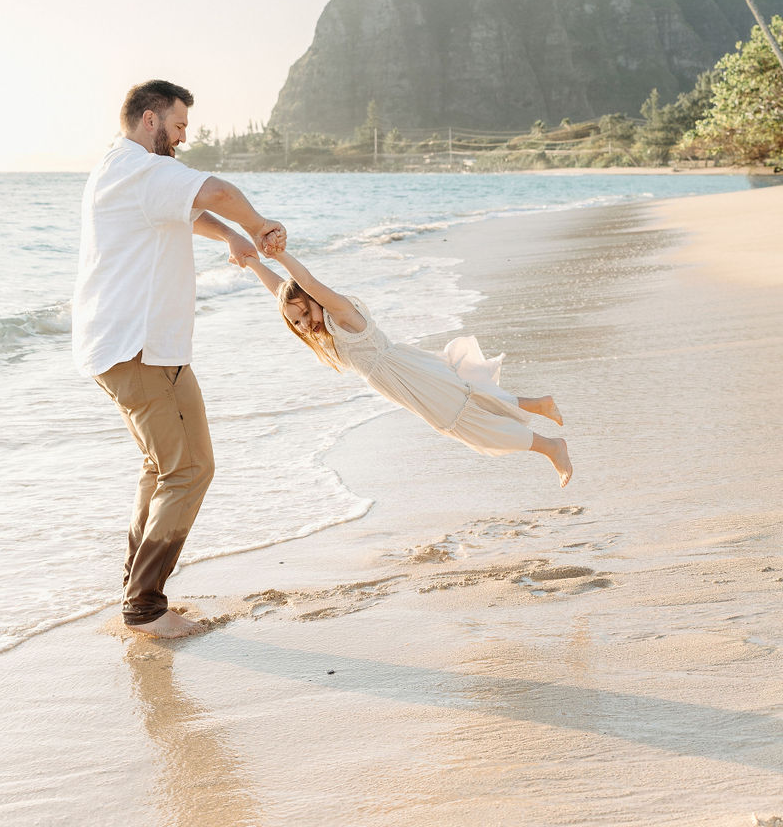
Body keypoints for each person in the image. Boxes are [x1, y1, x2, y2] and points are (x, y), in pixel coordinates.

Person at [73, 79, 286, 639]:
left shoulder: (126, 170)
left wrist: (230, 241)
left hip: (148, 349)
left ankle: (135, 587)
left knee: (167, 468)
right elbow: (215, 191)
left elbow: (187, 211)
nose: (185, 136)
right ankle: (143, 607)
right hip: (136, 350)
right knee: (186, 470)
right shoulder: (138, 168)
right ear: (150, 119)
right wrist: (258, 226)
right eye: (180, 125)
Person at [240, 246, 572, 487]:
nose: (302, 326)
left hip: (407, 373)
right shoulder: (323, 330)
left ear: (316, 300)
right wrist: (254, 264)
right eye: (295, 323)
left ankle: (550, 447)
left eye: (303, 315)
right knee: (469, 403)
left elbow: (307, 284)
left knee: (464, 420)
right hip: (404, 378)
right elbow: (284, 294)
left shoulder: (340, 313)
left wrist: (279, 254)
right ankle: (539, 405)